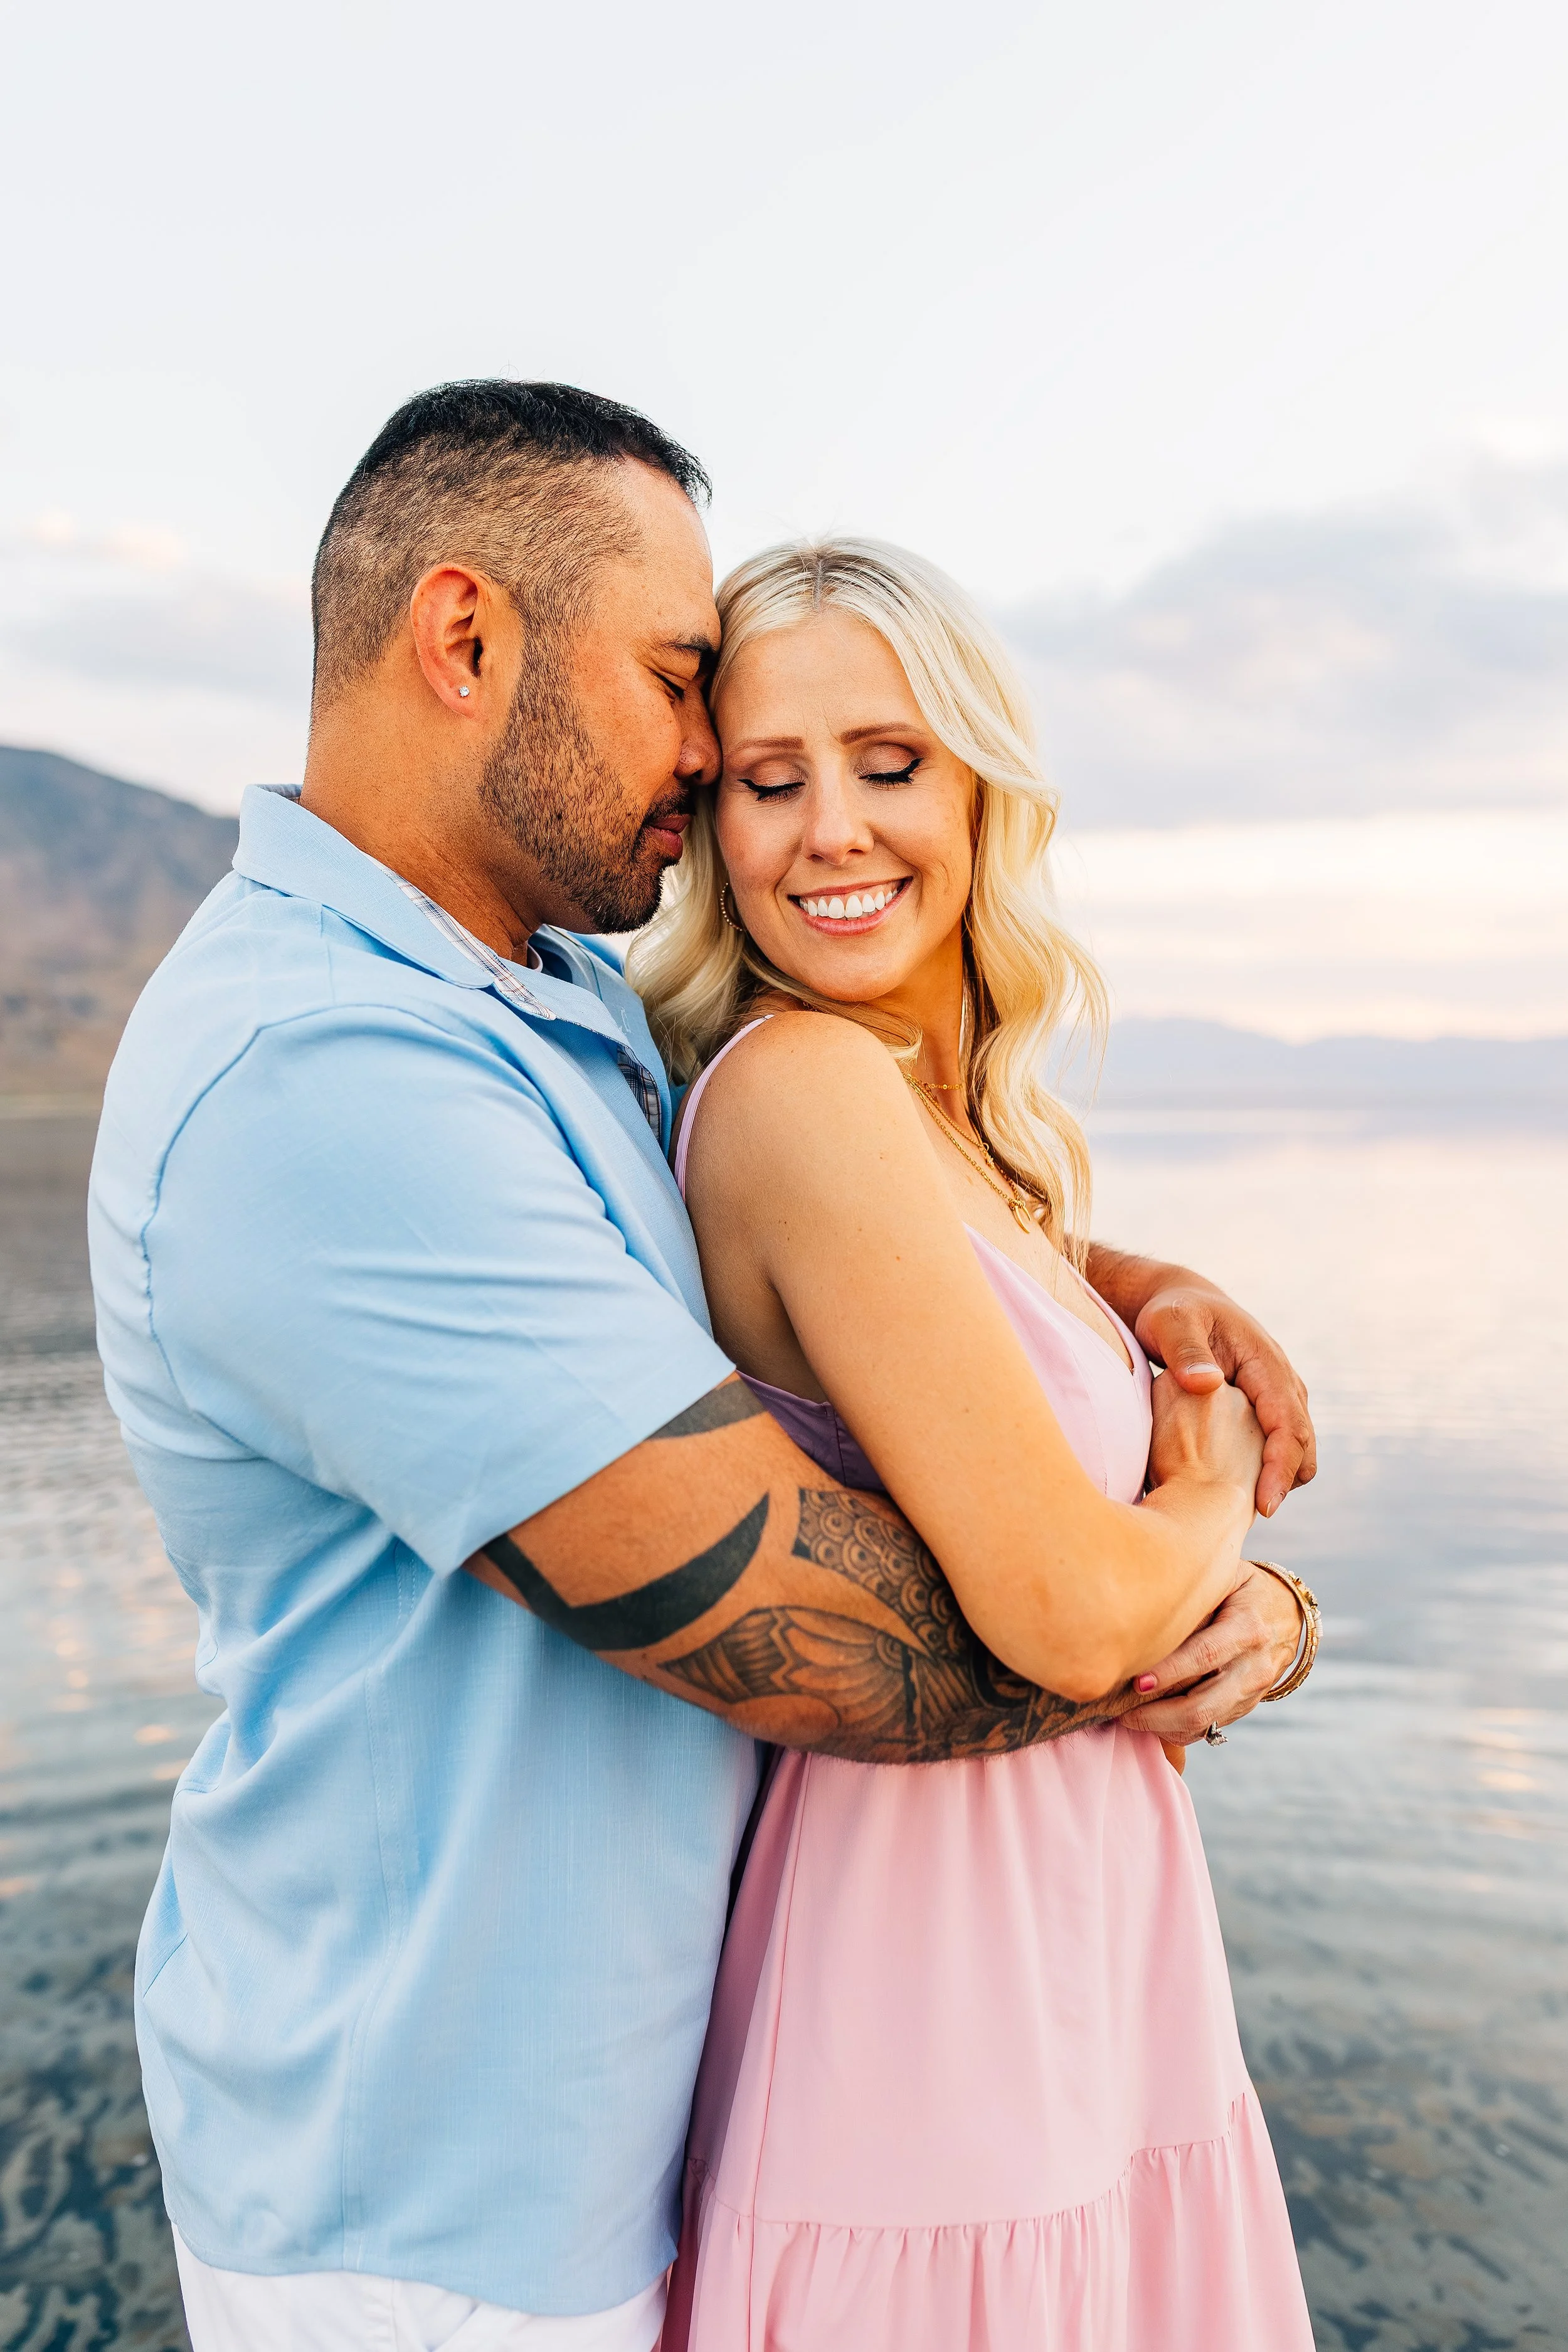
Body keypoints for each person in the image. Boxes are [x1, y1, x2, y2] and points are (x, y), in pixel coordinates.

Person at [88, 381, 1314, 2352]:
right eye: (682, 687)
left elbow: (848, 1248)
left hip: (642, 2114)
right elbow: (816, 1636)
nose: (702, 752)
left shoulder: (548, 995)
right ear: (465, 638)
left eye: (884, 761)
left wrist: (1126, 1281)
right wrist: (1212, 1532)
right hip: (432, 2214)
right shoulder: (322, 1079)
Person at [630, 536, 1317, 2349]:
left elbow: (1043, 1445)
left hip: (1092, 1965)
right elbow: (1071, 1615)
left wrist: (1257, 1600)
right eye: (769, 782)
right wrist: (1217, 1496)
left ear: (980, 790)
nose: (831, 832)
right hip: (923, 2003)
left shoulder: (955, 1133)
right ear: (713, 829)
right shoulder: (800, 1088)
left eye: (888, 763)